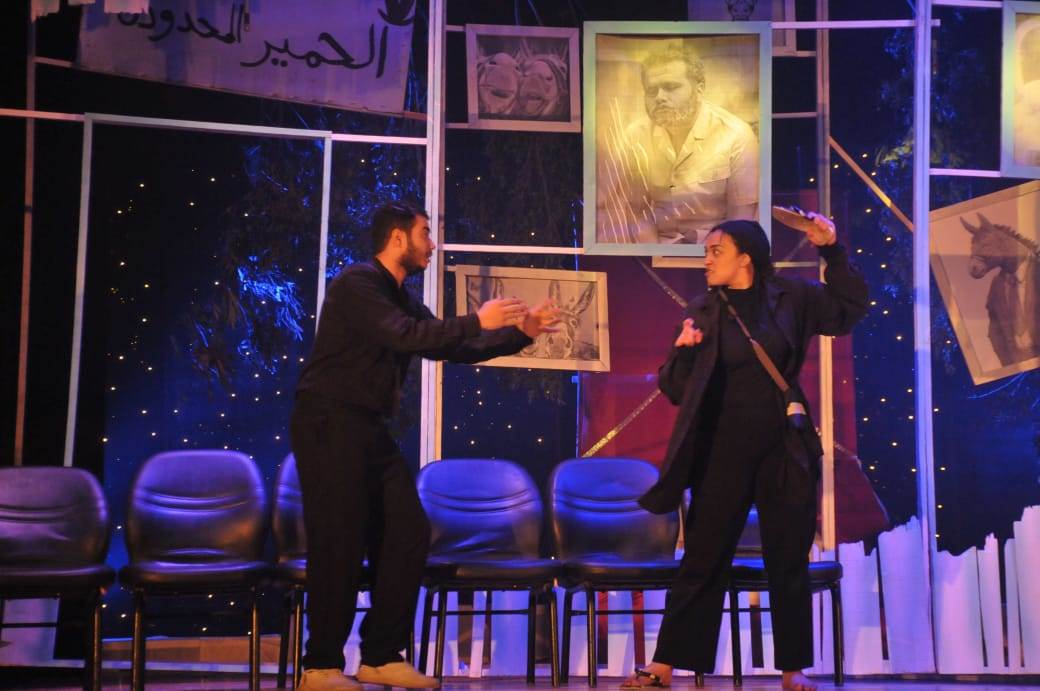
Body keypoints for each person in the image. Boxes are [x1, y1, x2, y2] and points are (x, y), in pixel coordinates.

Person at [290, 201, 560, 691]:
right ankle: (321, 665)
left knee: (407, 530)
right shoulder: (358, 284)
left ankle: (380, 655)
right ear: (398, 238)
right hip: (329, 421)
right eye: (425, 233)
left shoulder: (400, 297)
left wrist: (519, 334)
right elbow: (404, 335)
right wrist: (476, 319)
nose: (432, 245)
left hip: (368, 427)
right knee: (340, 537)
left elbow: (448, 345)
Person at [623, 215, 868, 691]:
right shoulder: (702, 310)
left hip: (783, 448)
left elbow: (849, 309)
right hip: (721, 451)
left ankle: (793, 670)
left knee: (788, 557)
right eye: (706, 252)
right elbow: (675, 389)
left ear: (746, 258)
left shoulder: (792, 298)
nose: (707, 260)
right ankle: (666, 664)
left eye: (716, 251)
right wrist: (684, 351)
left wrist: (832, 249)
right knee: (703, 557)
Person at [605, 44, 759, 245]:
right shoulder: (635, 135)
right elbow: (637, 210)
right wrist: (655, 254)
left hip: (717, 249)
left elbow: (740, 222)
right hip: (656, 246)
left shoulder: (737, 135)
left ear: (699, 88)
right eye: (651, 90)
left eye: (671, 87)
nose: (659, 97)